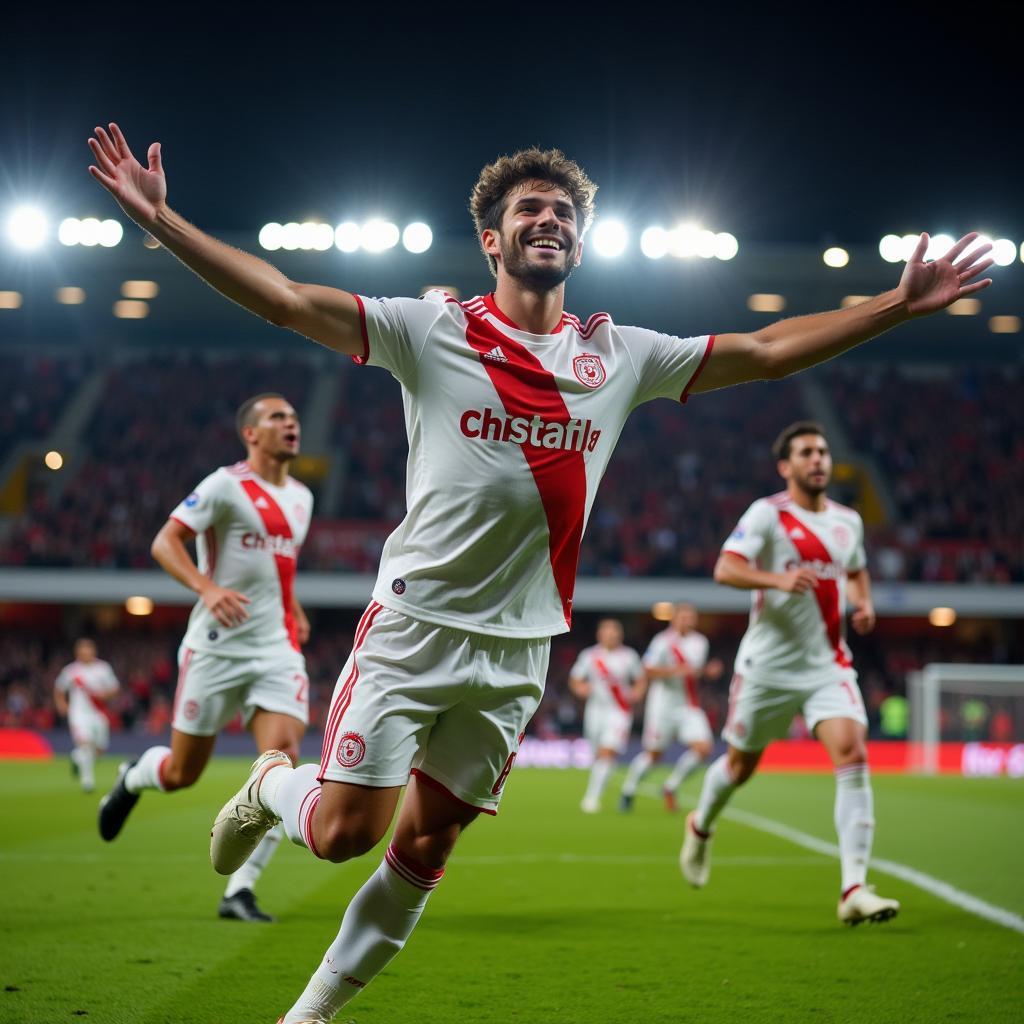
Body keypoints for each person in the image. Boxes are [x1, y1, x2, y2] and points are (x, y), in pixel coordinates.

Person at [88, 121, 991, 1019]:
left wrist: (893, 306)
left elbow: (762, 352)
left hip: (521, 650)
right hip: (415, 629)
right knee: (340, 836)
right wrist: (164, 224)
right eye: (529, 208)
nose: (548, 218)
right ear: (492, 238)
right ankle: (272, 784)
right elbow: (285, 297)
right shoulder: (429, 331)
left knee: (426, 851)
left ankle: (308, 1015)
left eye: (563, 210)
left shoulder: (622, 355)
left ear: (580, 238)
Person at [96, 392, 314, 925]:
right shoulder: (224, 485)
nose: (291, 424)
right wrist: (206, 588)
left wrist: (294, 607)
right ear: (251, 434)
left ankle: (239, 890)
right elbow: (165, 542)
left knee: (279, 765)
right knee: (182, 772)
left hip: (276, 649)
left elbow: (273, 569)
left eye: (293, 417)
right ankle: (134, 776)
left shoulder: (303, 497)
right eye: (277, 418)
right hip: (216, 647)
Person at [681, 421, 898, 925]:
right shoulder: (767, 514)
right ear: (787, 466)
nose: (818, 459)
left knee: (853, 754)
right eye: (806, 453)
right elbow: (726, 568)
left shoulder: (848, 521)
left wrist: (863, 602)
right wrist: (775, 577)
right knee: (739, 767)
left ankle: (854, 888)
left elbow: (858, 568)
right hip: (767, 669)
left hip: (828, 665)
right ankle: (701, 825)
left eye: (822, 451)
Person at [619, 603, 722, 812]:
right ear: (674, 619)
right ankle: (629, 788)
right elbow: (647, 670)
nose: (687, 620)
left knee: (704, 749)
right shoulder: (662, 642)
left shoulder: (700, 642)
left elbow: (694, 671)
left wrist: (707, 672)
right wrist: (675, 671)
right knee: (655, 756)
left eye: (690, 616)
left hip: (688, 704)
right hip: (662, 705)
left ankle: (670, 786)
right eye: (682, 616)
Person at [568, 618, 644, 813]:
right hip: (595, 711)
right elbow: (575, 679)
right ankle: (598, 787)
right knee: (598, 755)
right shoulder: (590, 656)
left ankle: (591, 798)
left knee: (607, 752)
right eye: (607, 632)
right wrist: (581, 688)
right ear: (600, 635)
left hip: (619, 711)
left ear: (620, 635)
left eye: (615, 632)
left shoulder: (629, 656)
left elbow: (641, 679)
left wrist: (637, 692)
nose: (612, 635)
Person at [54, 638, 120, 793]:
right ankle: (87, 782)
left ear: (93, 652)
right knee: (85, 745)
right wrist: (62, 704)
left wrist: (105, 695)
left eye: (88, 650)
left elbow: (115, 688)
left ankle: (76, 758)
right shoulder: (71, 671)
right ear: (77, 653)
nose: (86, 654)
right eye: (82, 651)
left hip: (98, 713)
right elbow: (59, 689)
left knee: (99, 749)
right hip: (79, 714)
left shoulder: (103, 668)